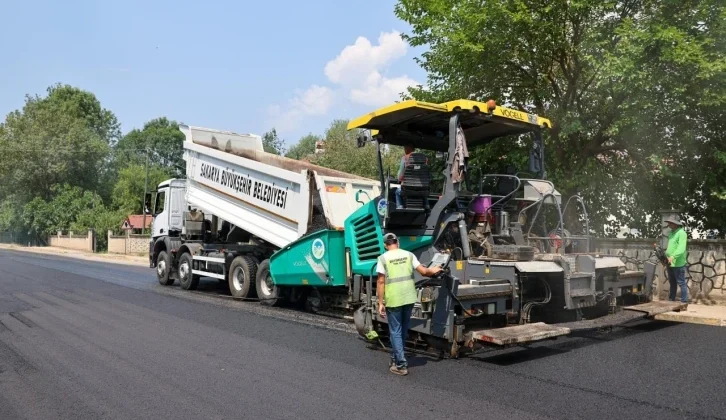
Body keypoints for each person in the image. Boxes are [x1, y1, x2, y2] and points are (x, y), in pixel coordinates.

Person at [376, 232, 442, 375]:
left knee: (395, 331)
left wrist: (380, 302)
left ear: (385, 245)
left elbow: (381, 281)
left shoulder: (382, 258)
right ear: (397, 242)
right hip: (409, 297)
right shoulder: (409, 255)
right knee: (403, 329)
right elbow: (424, 272)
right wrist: (434, 269)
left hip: (394, 299)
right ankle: (395, 358)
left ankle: (400, 364)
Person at [664, 215, 688, 303]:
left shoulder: (682, 233)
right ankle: (671, 299)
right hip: (670, 262)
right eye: (669, 222)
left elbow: (681, 248)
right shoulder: (671, 233)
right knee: (672, 283)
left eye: (671, 223)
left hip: (678, 263)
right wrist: (666, 258)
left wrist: (673, 257)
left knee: (681, 283)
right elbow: (671, 247)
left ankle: (684, 301)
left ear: (676, 224)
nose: (669, 224)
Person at [394, 145, 415, 209]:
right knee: (422, 194)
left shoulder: (405, 158)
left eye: (405, 147)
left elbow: (400, 175)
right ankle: (426, 205)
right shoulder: (423, 158)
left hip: (407, 188)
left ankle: (400, 207)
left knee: (397, 192)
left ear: (409, 148)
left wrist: (399, 179)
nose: (404, 149)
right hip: (421, 188)